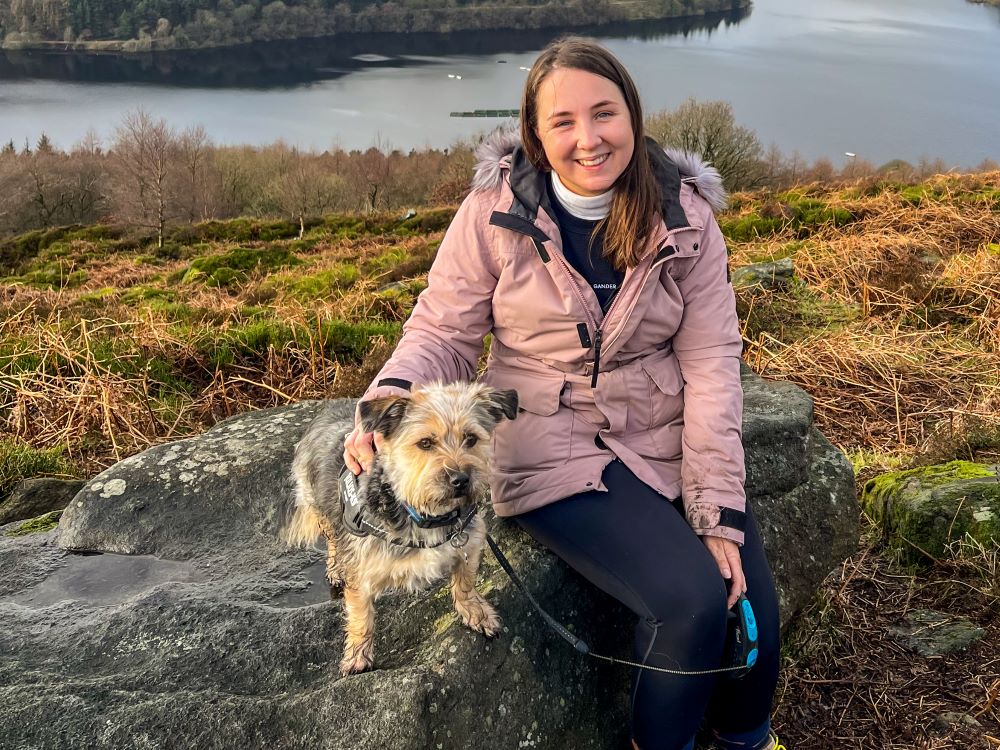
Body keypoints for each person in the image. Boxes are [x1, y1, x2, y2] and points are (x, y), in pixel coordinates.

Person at [343, 37, 783, 750]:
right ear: (536, 135)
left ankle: (747, 739)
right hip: (553, 443)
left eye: (604, 113)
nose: (588, 139)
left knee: (750, 601)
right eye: (563, 122)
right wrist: (391, 395)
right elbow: (443, 331)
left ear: (632, 116)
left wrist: (715, 509)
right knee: (691, 602)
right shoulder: (493, 213)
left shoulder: (686, 215)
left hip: (663, 433)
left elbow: (711, 366)